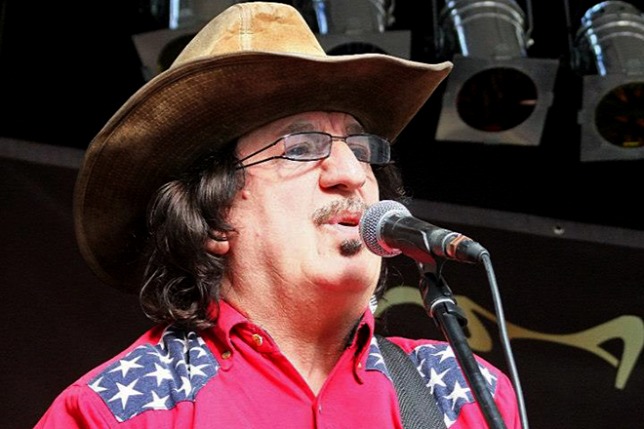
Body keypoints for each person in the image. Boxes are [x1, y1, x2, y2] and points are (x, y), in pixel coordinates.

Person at [35, 2, 521, 428]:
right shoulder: (115, 413)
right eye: (301, 148)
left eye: (360, 149)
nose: (352, 173)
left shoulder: (464, 395)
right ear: (213, 220)